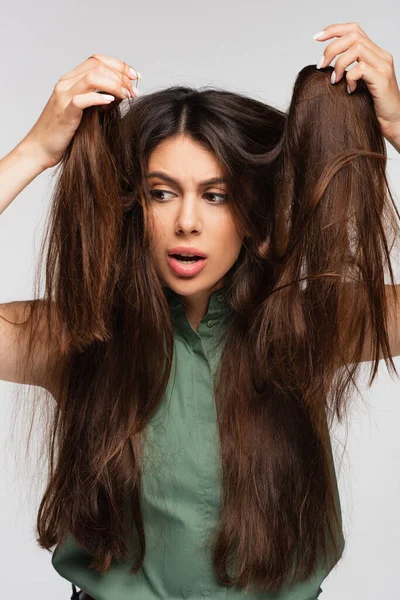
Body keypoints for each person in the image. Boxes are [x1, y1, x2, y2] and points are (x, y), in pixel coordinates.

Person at [1, 22, 400, 600]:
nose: (187, 221)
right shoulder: (76, 333)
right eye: (162, 192)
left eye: (216, 195)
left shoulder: (308, 326)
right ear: (135, 206)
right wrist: (34, 150)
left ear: (252, 211)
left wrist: (397, 124)